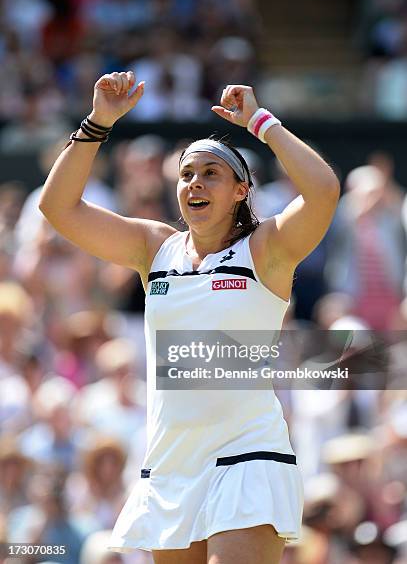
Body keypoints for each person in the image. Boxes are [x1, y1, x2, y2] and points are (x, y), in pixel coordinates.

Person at [39, 71, 340, 564]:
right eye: (185, 174)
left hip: (248, 454)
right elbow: (58, 207)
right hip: (172, 462)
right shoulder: (153, 247)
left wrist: (261, 122)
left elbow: (324, 190)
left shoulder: (268, 249)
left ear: (242, 190)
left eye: (210, 173)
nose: (194, 183)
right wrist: (99, 121)